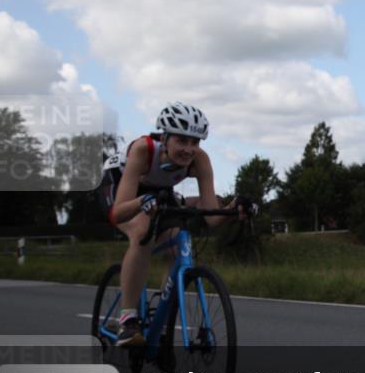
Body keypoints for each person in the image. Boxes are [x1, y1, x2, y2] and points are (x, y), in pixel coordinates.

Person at [100, 102, 255, 346]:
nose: (188, 149)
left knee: (176, 242)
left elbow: (210, 217)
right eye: (181, 141)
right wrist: (142, 202)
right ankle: (127, 320)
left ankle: (162, 316)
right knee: (142, 232)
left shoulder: (200, 160)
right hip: (121, 188)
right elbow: (118, 213)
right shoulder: (144, 150)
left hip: (159, 192)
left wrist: (232, 211)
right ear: (164, 138)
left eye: (195, 142)